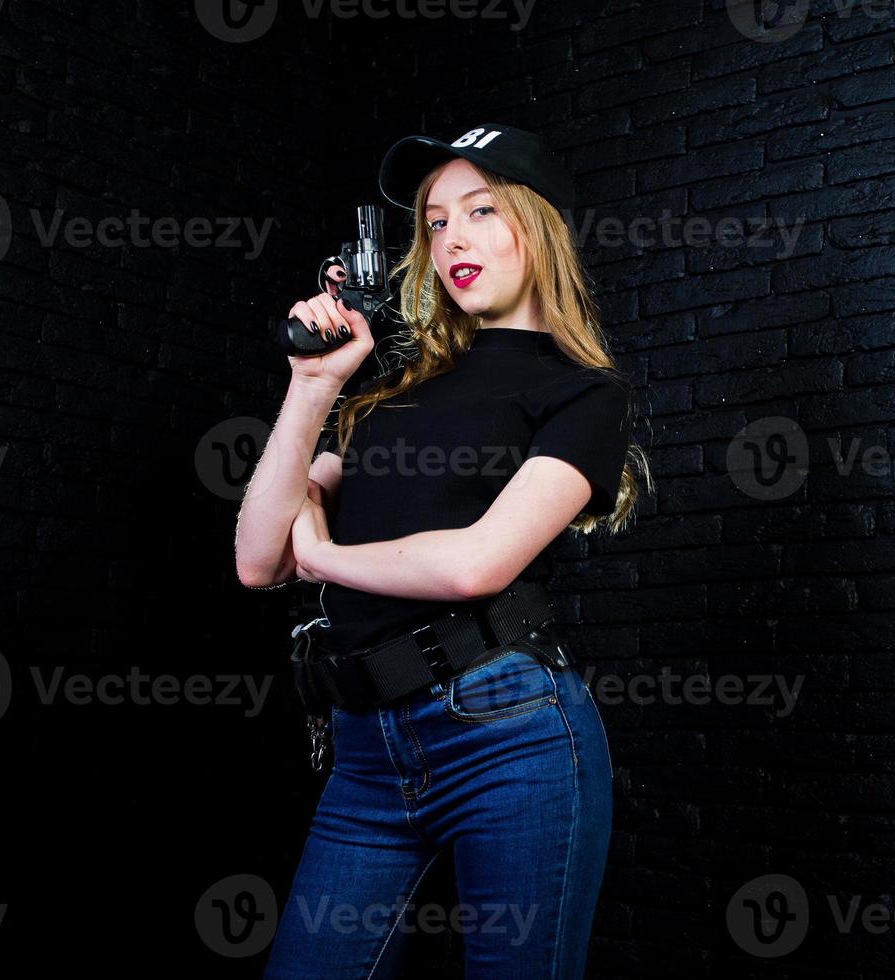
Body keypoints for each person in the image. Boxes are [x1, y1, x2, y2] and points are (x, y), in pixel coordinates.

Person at [235, 123, 650, 979]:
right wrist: (312, 386)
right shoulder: (392, 390)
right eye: (433, 222)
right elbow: (255, 556)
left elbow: (474, 565)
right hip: (364, 749)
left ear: (539, 226)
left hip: (510, 737)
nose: (452, 238)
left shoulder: (583, 394)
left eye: (481, 211)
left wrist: (321, 552)